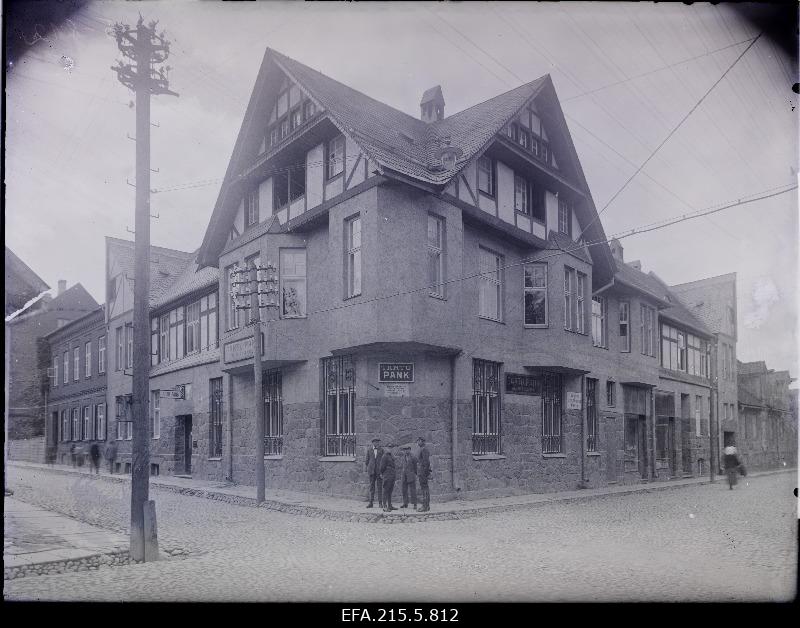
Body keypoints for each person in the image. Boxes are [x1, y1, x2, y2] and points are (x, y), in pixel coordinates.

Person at [364, 438, 384, 508]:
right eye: (375, 442)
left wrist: (382, 471)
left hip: (379, 471)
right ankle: (371, 502)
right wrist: (366, 469)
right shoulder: (369, 450)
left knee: (379, 487)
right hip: (371, 471)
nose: (377, 443)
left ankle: (380, 503)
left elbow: (383, 461)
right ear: (373, 443)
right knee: (372, 487)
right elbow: (366, 460)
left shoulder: (381, 450)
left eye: (378, 442)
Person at [379, 444, 397, 512]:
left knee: (390, 491)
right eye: (389, 447)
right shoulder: (384, 456)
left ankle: (390, 505)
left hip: (392, 475)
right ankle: (384, 506)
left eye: (391, 447)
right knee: (386, 490)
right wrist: (382, 473)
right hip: (387, 475)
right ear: (386, 448)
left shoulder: (391, 456)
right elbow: (382, 467)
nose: (390, 449)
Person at [416, 436, 431, 512]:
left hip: (423, 472)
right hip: (421, 472)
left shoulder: (424, 449)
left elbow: (426, 462)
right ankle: (426, 506)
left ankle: (425, 506)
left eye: (418, 441)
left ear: (422, 441)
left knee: (424, 489)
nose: (417, 442)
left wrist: (425, 473)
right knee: (424, 488)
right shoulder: (422, 449)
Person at [400, 445, 417, 509]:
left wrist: (414, 474)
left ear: (410, 449)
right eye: (404, 450)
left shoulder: (413, 457)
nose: (406, 451)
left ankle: (415, 504)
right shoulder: (403, 457)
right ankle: (405, 503)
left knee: (413, 490)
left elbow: (415, 467)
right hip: (404, 476)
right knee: (404, 490)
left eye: (407, 449)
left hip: (411, 475)